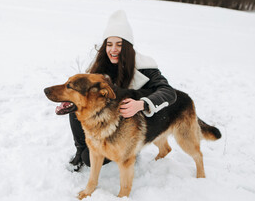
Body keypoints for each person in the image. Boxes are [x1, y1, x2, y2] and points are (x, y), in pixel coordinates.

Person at [69, 10, 177, 171]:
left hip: (130, 126)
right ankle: (80, 150)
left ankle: (131, 148)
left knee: (89, 159)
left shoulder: (144, 66)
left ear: (127, 46)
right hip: (106, 122)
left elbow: (169, 92)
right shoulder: (100, 66)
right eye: (109, 44)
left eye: (119, 44)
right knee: (76, 106)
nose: (113, 49)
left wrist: (142, 104)